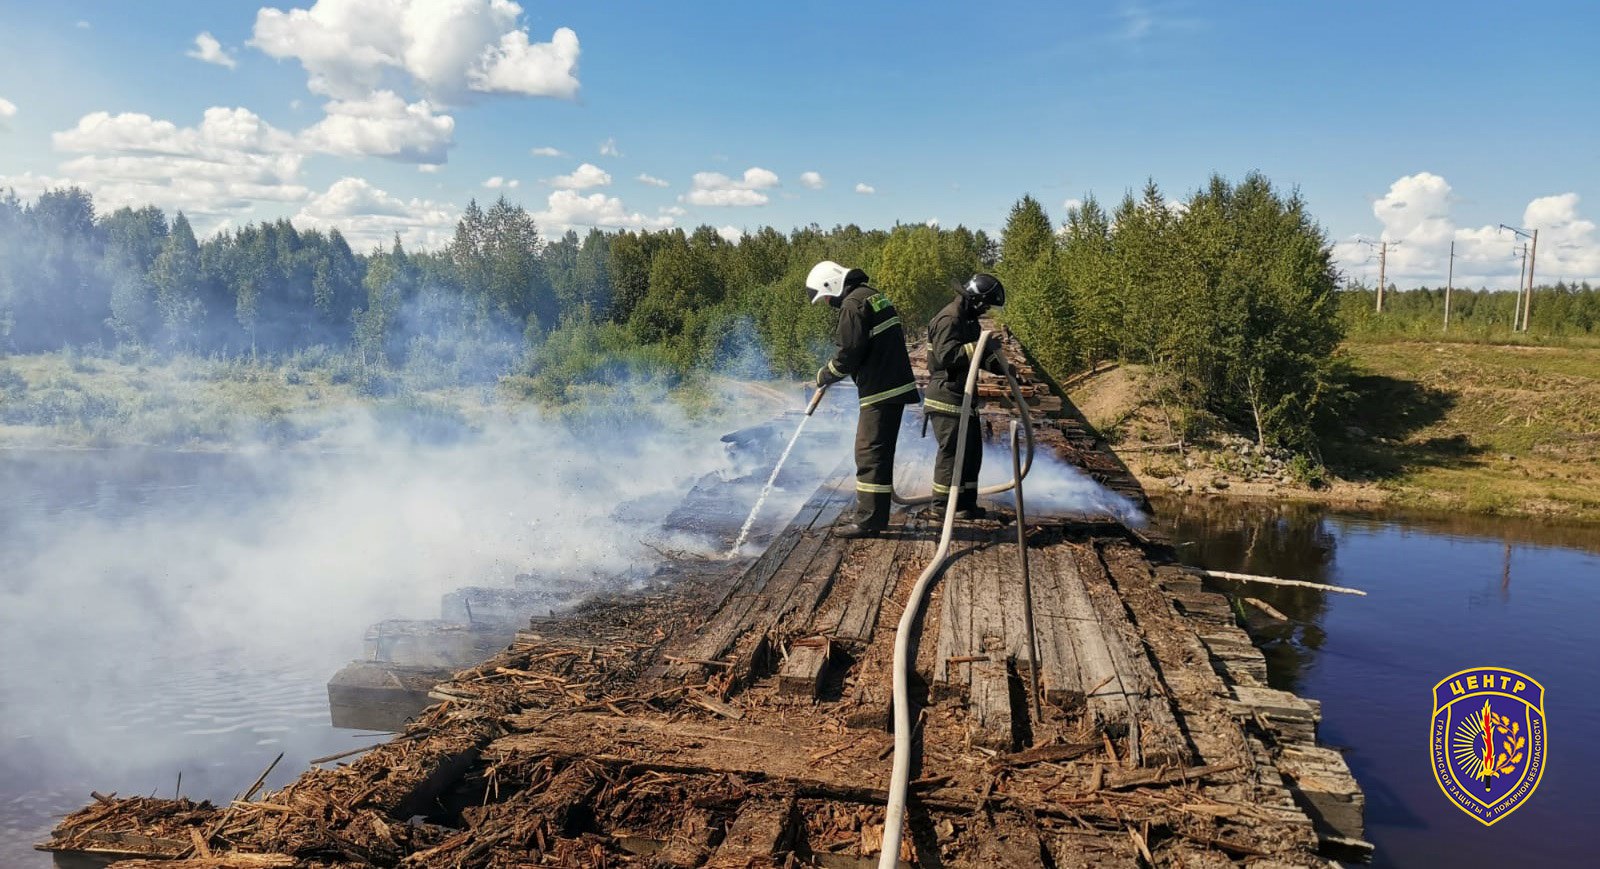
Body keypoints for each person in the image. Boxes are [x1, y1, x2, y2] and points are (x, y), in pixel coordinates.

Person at [808, 260, 920, 538]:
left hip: (881, 388)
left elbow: (848, 353)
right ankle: (874, 515)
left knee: (869, 454)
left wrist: (825, 374)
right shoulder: (872, 296)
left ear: (832, 285)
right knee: (878, 453)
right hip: (892, 384)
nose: (828, 303)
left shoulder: (852, 305)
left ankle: (869, 521)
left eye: (827, 297)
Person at [923, 273, 1011, 520]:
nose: (985, 311)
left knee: (971, 453)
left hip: (963, 395)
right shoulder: (949, 318)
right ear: (975, 300)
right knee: (952, 453)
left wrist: (1005, 369)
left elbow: (979, 356)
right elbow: (947, 356)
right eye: (985, 305)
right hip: (946, 395)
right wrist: (981, 345)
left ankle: (965, 504)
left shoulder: (968, 320)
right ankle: (941, 506)